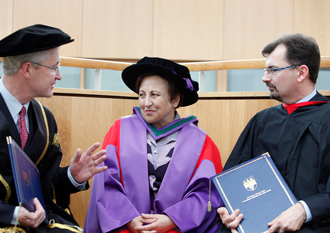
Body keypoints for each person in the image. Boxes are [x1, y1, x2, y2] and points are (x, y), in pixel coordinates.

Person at [0, 24, 108, 233]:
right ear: (28, 69)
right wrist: (13, 214)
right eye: (54, 68)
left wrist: (71, 177)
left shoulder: (45, 119)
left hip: (38, 220)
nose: (59, 76)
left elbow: (40, 186)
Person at [84, 57, 223, 233]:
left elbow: (206, 195)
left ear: (174, 100)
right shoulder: (120, 130)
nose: (146, 103)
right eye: (142, 95)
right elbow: (105, 183)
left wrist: (172, 219)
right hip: (125, 227)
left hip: (175, 229)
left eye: (154, 95)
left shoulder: (201, 142)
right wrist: (130, 219)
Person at [217, 33, 330, 233]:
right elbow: (233, 179)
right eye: (265, 70)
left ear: (301, 72)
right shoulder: (262, 121)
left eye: (273, 70)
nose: (264, 78)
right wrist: (230, 213)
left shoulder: (326, 120)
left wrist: (306, 209)